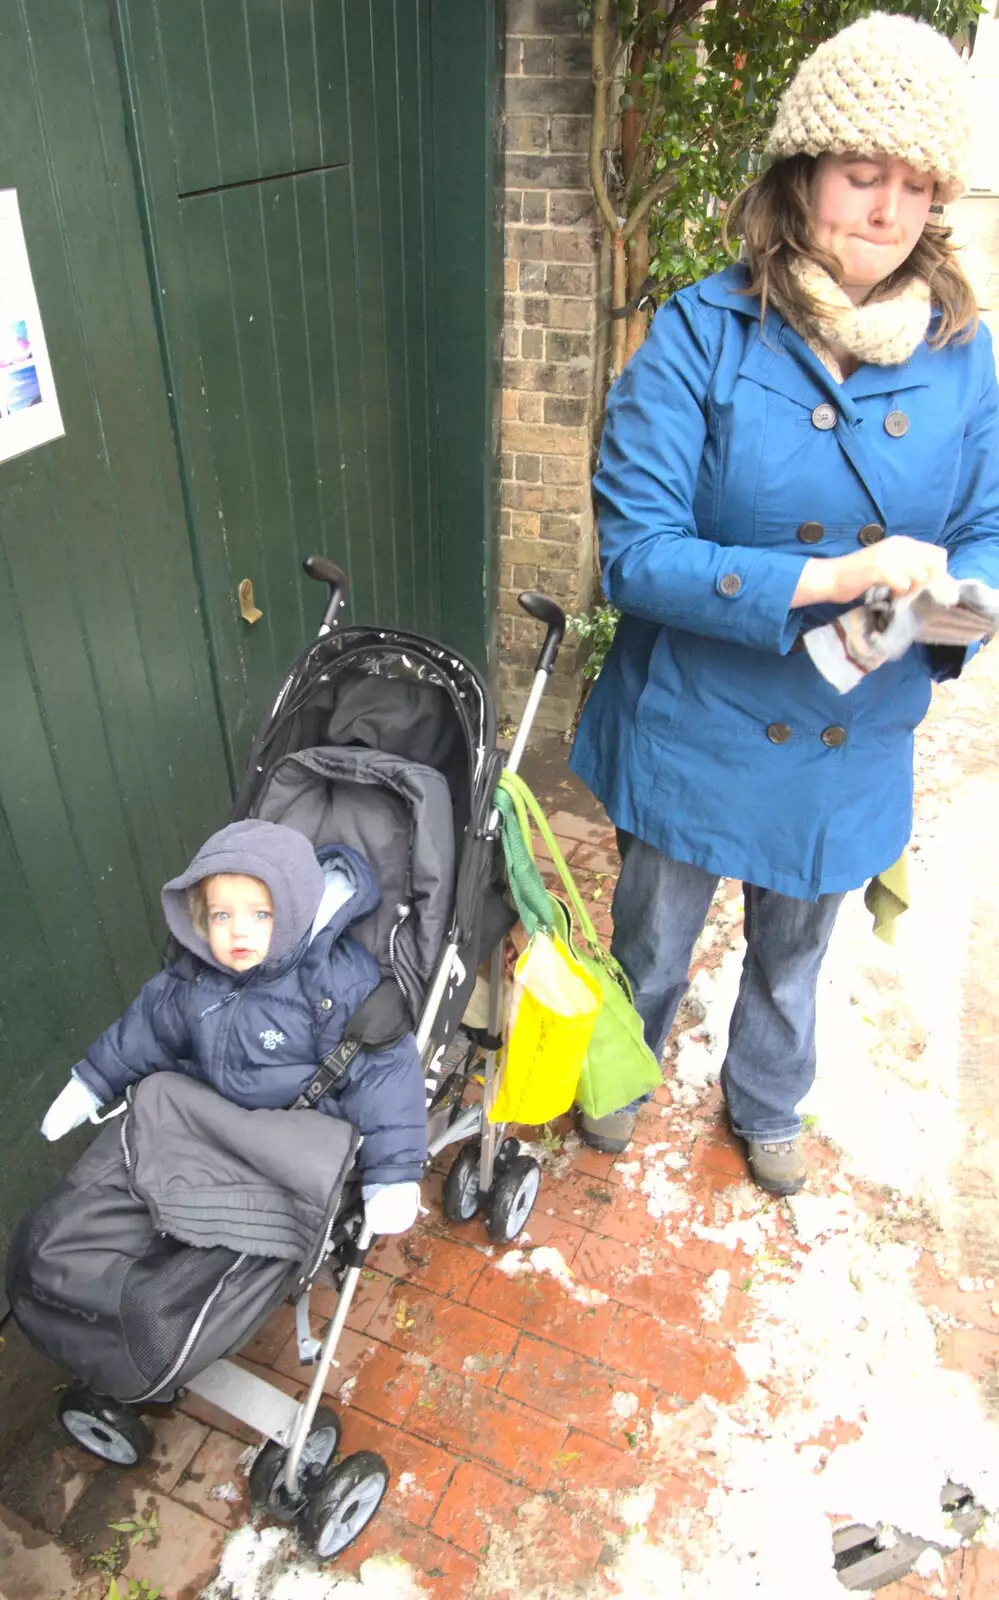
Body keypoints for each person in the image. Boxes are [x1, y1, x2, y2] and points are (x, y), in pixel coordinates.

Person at [570, 13, 999, 1194]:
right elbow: (637, 555)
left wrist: (943, 613)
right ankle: (620, 1065)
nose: (888, 209)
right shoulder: (702, 335)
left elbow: (989, 529)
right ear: (802, 176)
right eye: (863, 176)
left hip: (849, 726)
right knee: (652, 934)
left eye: (917, 186)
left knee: (797, 945)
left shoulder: (964, 353)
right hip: (700, 716)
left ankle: (766, 1096)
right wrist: (838, 579)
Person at [39, 819, 427, 1234]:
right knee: (154, 1106)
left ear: (295, 912)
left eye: (261, 914)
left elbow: (384, 1075)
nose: (238, 930)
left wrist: (392, 1175)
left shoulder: (334, 984)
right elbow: (144, 1031)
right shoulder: (197, 976)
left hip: (289, 1139)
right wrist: (89, 1086)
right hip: (210, 1129)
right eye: (222, 915)